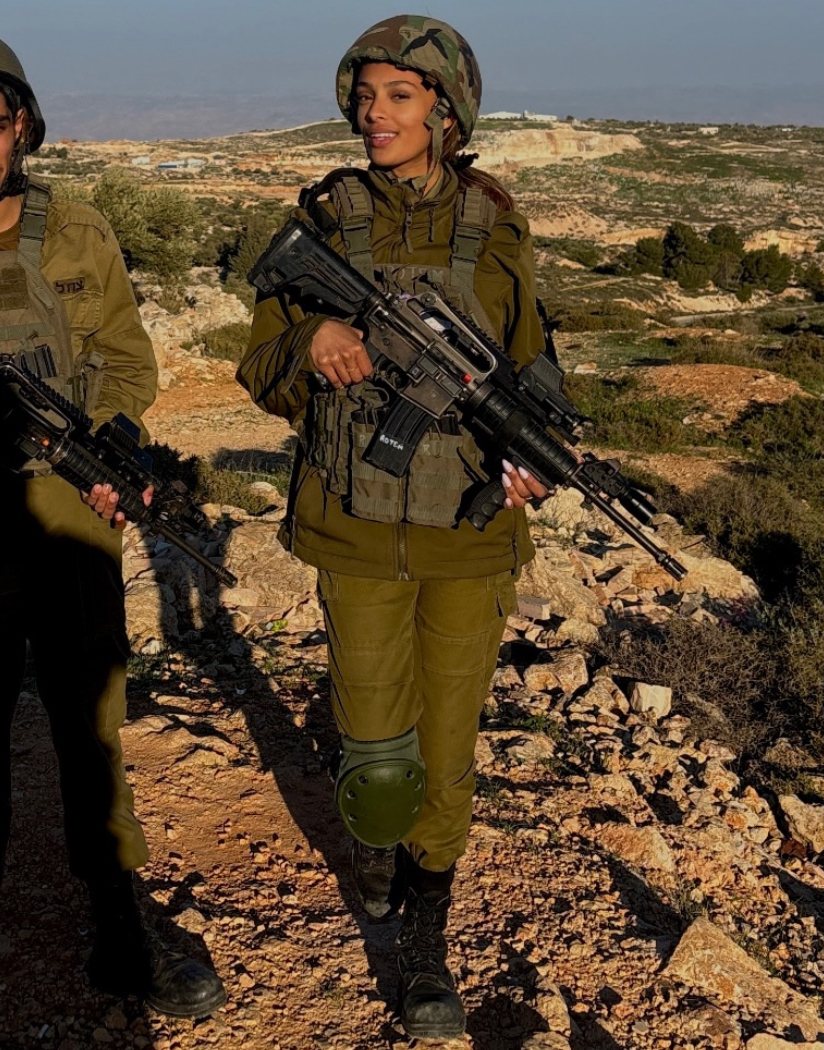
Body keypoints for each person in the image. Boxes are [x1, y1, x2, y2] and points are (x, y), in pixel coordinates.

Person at [238, 14, 548, 1039]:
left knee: (446, 755)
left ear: (448, 111)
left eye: (401, 96)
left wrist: (536, 462)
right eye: (367, 95)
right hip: (355, 526)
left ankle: (425, 944)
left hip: (468, 536)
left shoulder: (496, 227)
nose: (378, 112)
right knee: (375, 749)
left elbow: (532, 364)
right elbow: (262, 362)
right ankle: (373, 851)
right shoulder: (324, 223)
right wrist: (312, 339)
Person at [0, 40, 226, 1019]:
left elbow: (130, 365)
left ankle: (120, 924)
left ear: (21, 125)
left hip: (63, 504)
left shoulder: (77, 232)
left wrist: (104, 447)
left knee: (89, 720)